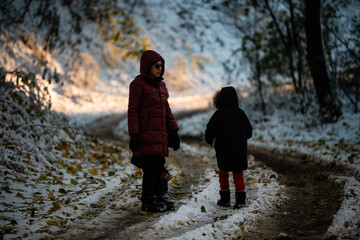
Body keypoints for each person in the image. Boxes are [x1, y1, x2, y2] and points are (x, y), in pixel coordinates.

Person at [128, 50, 180, 212]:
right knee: (150, 169)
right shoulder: (137, 85)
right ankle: (148, 200)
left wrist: (173, 131)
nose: (160, 68)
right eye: (157, 66)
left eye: (162, 66)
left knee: (159, 167)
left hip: (160, 135)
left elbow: (167, 110)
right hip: (145, 135)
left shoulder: (162, 85)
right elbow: (133, 110)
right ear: (147, 66)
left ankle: (158, 197)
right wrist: (134, 135)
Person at [205, 86, 253, 209]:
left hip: (223, 150)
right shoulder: (241, 113)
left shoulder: (218, 114)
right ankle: (240, 200)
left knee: (223, 172)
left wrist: (209, 139)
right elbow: (249, 132)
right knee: (238, 174)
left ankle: (225, 199)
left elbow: (210, 129)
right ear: (236, 99)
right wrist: (242, 137)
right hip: (238, 150)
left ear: (219, 100)